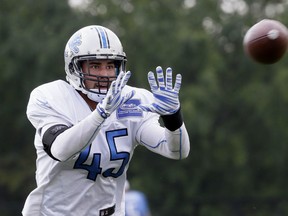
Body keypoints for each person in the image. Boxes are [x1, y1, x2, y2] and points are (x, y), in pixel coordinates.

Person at [22, 25, 190, 216]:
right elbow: (60, 149)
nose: (104, 74)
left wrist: (173, 117)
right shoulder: (51, 96)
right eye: (95, 65)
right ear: (73, 67)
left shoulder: (132, 100)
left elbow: (177, 151)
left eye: (110, 66)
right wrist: (101, 114)